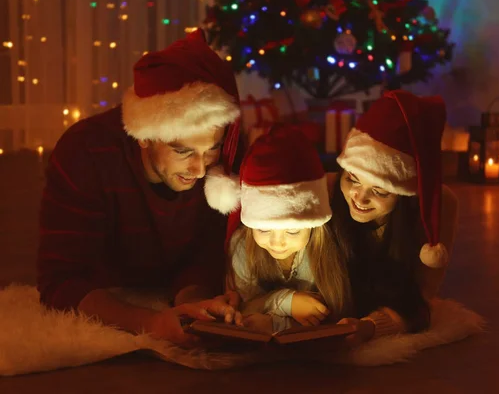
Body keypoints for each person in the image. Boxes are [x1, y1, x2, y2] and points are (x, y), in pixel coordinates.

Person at [37, 30, 244, 346]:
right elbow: (60, 281)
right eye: (183, 151)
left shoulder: (218, 170)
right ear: (144, 135)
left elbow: (202, 256)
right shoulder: (85, 153)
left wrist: (196, 307)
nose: (201, 169)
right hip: (107, 304)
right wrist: (151, 323)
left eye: (211, 149)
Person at [329, 90, 459, 344]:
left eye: (378, 190)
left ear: (403, 195)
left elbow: (421, 300)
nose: (359, 197)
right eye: (351, 179)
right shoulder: (326, 192)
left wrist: (371, 326)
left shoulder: (431, 213)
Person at [209, 124, 352, 333]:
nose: (277, 242)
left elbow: (333, 315)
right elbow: (244, 309)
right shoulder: (242, 246)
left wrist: (277, 321)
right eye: (264, 230)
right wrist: (285, 302)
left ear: (314, 225)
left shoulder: (328, 246)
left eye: (292, 231)